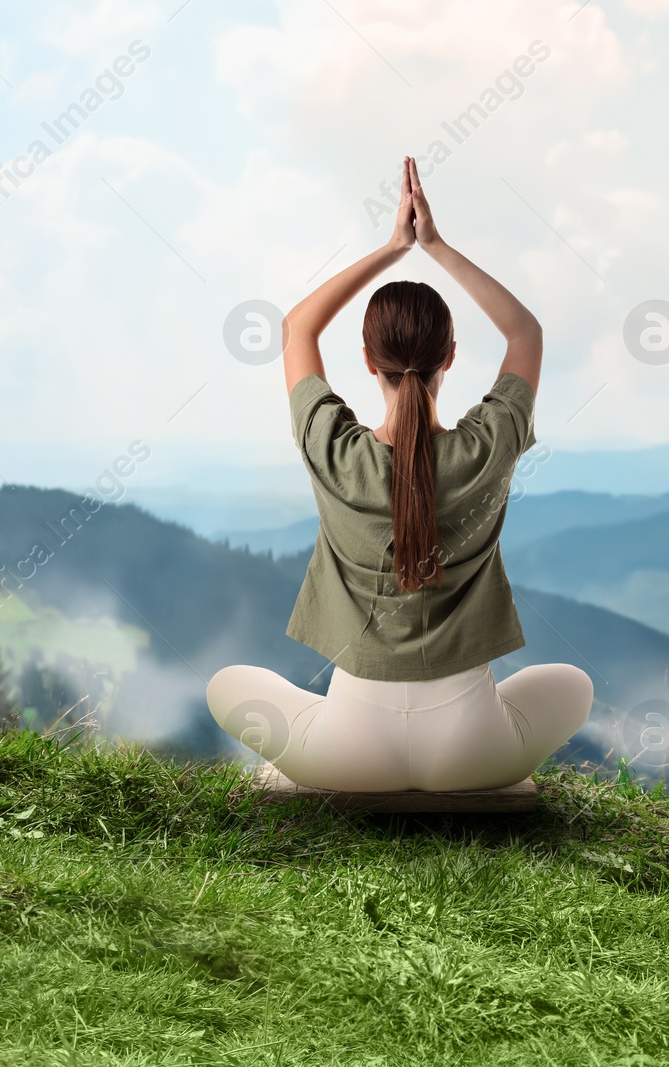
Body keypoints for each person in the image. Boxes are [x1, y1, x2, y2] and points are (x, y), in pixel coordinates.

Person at [205, 156, 593, 792]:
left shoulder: (336, 452)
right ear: (450, 358)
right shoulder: (486, 448)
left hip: (350, 752)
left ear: (365, 360)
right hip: (473, 753)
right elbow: (525, 331)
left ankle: (324, 739)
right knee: (573, 686)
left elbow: (297, 326)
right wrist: (434, 247)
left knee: (229, 686)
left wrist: (393, 249)